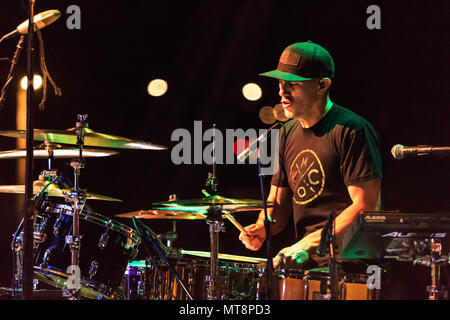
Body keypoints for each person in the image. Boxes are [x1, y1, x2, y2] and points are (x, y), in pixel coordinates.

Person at [239, 41, 383, 271]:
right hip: (305, 262)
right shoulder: (286, 133)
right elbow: (278, 203)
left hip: (349, 265)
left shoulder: (352, 130)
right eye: (280, 82)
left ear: (322, 85)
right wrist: (262, 226)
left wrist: (309, 242)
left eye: (292, 84)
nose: (282, 91)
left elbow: (366, 206)